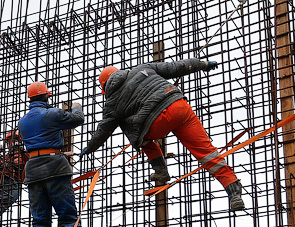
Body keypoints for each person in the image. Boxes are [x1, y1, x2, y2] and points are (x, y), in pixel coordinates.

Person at [81, 59, 245, 212]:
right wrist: (203, 64)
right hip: (180, 107)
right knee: (206, 152)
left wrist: (89, 148)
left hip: (156, 122)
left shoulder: (111, 103)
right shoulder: (143, 68)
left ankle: (160, 170)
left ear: (104, 88)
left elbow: (104, 131)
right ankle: (233, 190)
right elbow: (178, 66)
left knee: (130, 128)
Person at [17, 81, 88, 227]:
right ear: (46, 96)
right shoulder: (52, 113)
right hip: (55, 168)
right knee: (68, 216)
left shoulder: (22, 122)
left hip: (33, 170)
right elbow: (77, 119)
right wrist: (77, 107)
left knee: (40, 221)